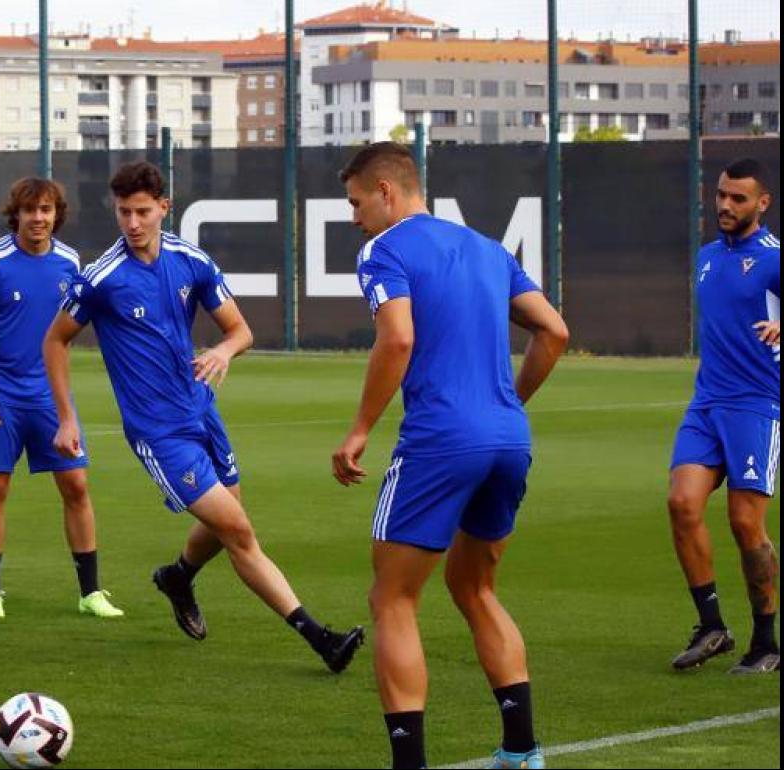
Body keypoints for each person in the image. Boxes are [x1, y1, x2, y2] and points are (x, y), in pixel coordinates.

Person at [44, 160, 364, 673]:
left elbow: (241, 330)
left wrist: (222, 351)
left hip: (202, 412)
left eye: (143, 211)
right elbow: (55, 341)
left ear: (164, 208)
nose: (132, 223)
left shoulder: (191, 260)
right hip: (158, 431)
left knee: (223, 526)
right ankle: (319, 637)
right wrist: (66, 417)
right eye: (124, 212)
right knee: (238, 530)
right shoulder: (100, 278)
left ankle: (178, 577)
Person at [330, 142, 568, 769]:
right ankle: (522, 752)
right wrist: (508, 403)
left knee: (392, 600)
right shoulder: (489, 249)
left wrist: (358, 431)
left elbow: (398, 337)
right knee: (475, 586)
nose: (354, 217)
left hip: (440, 441)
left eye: (356, 203)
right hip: (508, 440)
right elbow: (555, 330)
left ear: (386, 191)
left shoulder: (385, 250)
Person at [0, 177, 123, 620]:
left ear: (56, 215)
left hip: (50, 396)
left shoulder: (70, 262)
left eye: (46, 210)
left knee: (77, 485)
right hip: (1, 394)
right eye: (30, 210)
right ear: (17, 215)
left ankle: (90, 593)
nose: (38, 218)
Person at [667, 157, 780, 675]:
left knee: (743, 524)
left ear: (762, 203)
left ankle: (767, 642)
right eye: (720, 195)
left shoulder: (775, 258)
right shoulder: (709, 256)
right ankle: (712, 626)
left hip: (757, 406)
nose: (725, 206)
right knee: (682, 504)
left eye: (738, 198)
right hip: (706, 404)